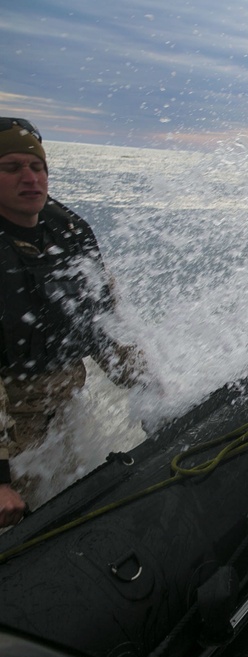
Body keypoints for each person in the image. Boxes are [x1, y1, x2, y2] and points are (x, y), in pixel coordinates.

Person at [0, 117, 148, 526]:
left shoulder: (68, 230)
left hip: (64, 403)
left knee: (66, 504)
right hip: (12, 419)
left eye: (37, 168)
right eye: (11, 168)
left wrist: (157, 393)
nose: (30, 178)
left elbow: (103, 324)